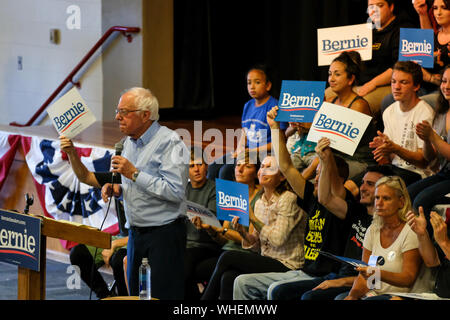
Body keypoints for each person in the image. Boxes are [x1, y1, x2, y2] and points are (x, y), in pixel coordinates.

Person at [64, 87, 189, 299]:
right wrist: (120, 190)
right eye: (117, 110)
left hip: (164, 235)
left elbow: (175, 191)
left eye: (124, 111)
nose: (117, 117)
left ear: (145, 115)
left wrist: (134, 174)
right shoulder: (128, 144)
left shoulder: (170, 142)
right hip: (136, 235)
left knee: (162, 297)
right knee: (135, 297)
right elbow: (140, 187)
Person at [232, 107, 354, 300]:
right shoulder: (311, 200)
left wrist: (326, 157)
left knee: (276, 291)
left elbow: (329, 195)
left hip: (324, 275)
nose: (315, 178)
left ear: (337, 179)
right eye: (316, 174)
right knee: (241, 282)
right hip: (304, 271)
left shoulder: (344, 205)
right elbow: (287, 167)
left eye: (320, 174)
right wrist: (275, 128)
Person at [268, 138, 394, 300]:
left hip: (355, 281)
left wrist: (343, 283)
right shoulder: (355, 211)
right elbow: (324, 199)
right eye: (362, 183)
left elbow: (376, 278)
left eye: (370, 184)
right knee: (279, 291)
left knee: (310, 297)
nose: (362, 188)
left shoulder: (387, 226)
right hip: (336, 276)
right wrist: (324, 159)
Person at [200, 155, 306, 300]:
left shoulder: (288, 198)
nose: (263, 171)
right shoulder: (260, 202)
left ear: (282, 177)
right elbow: (256, 246)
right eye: (262, 167)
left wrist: (253, 219)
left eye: (269, 168)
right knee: (228, 277)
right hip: (268, 259)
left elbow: (278, 240)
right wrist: (243, 233)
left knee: (228, 257)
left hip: (288, 263)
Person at [59, 136, 129, 299]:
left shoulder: (144, 183)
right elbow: (85, 177)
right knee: (78, 253)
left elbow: (147, 232)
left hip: (138, 241)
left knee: (119, 259)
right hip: (121, 238)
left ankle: (124, 298)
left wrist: (116, 244)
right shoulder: (116, 178)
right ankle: (105, 296)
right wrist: (72, 153)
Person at [325, 0, 414, 121]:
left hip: (385, 85)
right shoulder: (365, 30)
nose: (375, 10)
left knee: (358, 105)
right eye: (371, 6)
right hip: (358, 83)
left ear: (391, 7)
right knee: (322, 98)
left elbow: (399, 67)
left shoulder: (402, 29)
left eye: (380, 5)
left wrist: (372, 84)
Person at [190, 150, 262, 298]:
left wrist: (220, 230)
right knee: (190, 268)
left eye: (247, 166)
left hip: (246, 253)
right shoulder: (233, 193)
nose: (239, 169)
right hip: (225, 250)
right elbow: (223, 239)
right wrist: (211, 230)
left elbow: (251, 241)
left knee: (222, 274)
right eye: (238, 165)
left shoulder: (260, 196)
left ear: (256, 173)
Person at [344, 176, 425, 300]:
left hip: (400, 296)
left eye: (386, 198)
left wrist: (378, 273)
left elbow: (408, 279)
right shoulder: (373, 229)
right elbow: (366, 276)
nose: (379, 203)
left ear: (401, 202)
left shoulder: (410, 231)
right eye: (377, 197)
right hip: (374, 293)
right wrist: (352, 296)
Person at [207, 64, 287, 181]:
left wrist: (251, 151)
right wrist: (239, 150)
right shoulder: (248, 106)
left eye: (257, 82)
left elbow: (280, 140)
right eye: (249, 83)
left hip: (264, 154)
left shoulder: (275, 106)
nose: (252, 87)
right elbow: (245, 133)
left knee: (226, 171)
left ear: (268, 85)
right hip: (248, 152)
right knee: (213, 168)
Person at [368, 61, 435, 186]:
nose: (396, 87)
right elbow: (392, 158)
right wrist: (385, 150)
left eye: (403, 82)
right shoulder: (389, 111)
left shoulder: (425, 113)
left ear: (416, 86)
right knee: (362, 181)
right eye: (393, 81)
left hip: (418, 174)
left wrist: (394, 148)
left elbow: (423, 162)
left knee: (377, 186)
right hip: (395, 169)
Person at [381, 0, 450, 111]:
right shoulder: (435, 34)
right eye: (435, 8)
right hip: (422, 87)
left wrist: (429, 78)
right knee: (388, 101)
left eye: (444, 8)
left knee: (419, 104)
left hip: (442, 90)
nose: (438, 13)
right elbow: (426, 37)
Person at [408, 64, 450, 235]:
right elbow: (430, 158)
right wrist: (426, 140)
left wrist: (432, 137)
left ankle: (434, 249)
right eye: (444, 81)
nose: (446, 86)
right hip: (444, 173)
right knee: (408, 193)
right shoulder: (441, 112)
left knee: (421, 201)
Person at [327, 51, 377, 179]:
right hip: (337, 158)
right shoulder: (329, 101)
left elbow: (341, 144)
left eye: (337, 74)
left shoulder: (359, 105)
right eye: (330, 74)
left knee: (323, 168)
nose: (331, 79)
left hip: (359, 161)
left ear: (351, 79)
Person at [184, 146, 221, 300]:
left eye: (200, 164)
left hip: (205, 246)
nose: (197, 169)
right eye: (192, 166)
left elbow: (211, 220)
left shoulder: (214, 189)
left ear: (206, 166)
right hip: (184, 244)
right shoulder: (182, 189)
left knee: (182, 264)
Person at [406, 206, 450, 298]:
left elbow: (408, 278)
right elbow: (432, 261)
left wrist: (444, 243)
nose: (378, 203)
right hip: (440, 294)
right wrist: (422, 234)